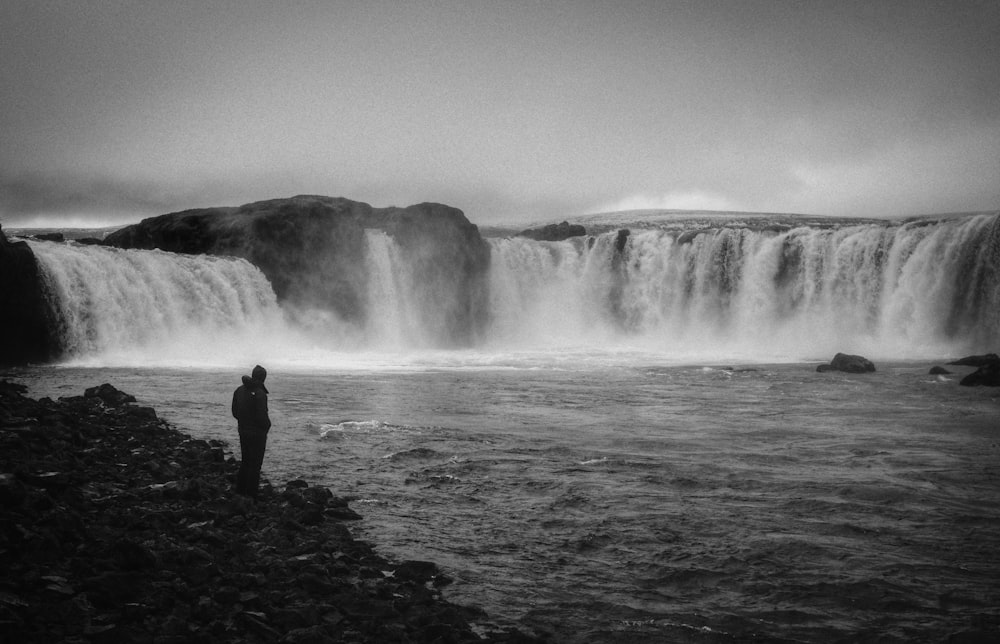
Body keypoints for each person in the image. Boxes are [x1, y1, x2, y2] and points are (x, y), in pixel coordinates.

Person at [232, 364, 271, 497]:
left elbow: (235, 412)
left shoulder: (239, 390)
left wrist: (244, 422)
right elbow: (262, 417)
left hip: (243, 431)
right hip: (257, 434)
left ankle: (240, 492)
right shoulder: (260, 394)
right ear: (263, 378)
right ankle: (251, 496)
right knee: (255, 466)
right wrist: (267, 426)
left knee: (245, 462)